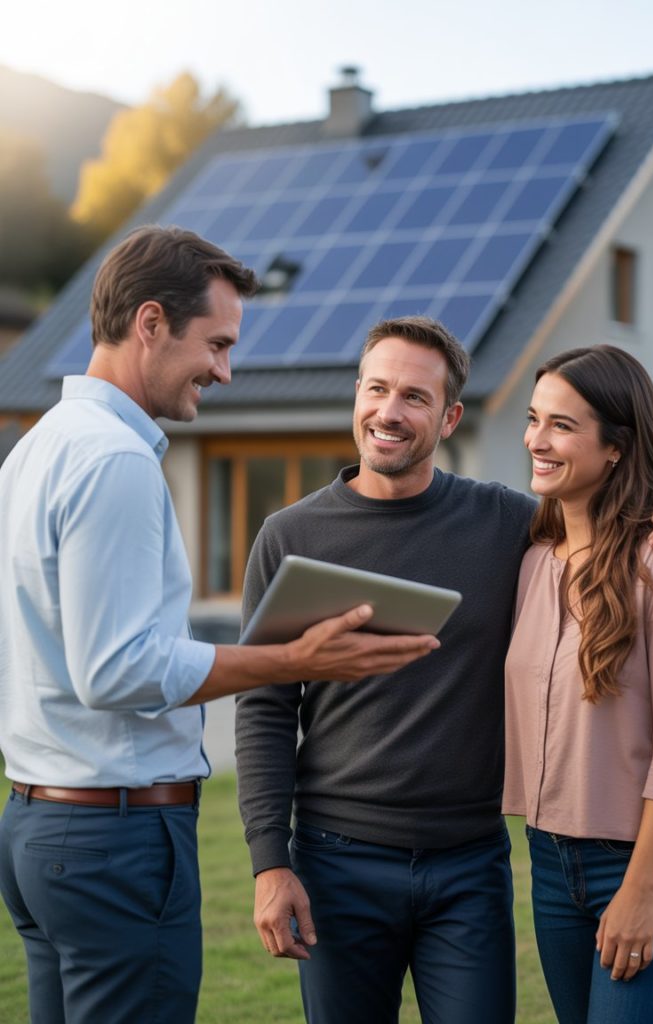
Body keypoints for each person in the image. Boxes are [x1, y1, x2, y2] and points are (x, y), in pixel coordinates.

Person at [0, 227, 439, 1024]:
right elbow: (117, 671)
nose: (225, 371)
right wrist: (292, 659)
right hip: (114, 842)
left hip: (41, 829)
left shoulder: (35, 450)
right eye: (218, 343)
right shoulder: (116, 461)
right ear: (151, 324)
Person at [235, 316, 653, 1024]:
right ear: (355, 395)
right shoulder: (291, 538)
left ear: (450, 415)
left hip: (469, 864)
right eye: (376, 389)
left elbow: (617, 531)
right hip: (336, 860)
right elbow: (265, 709)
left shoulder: (511, 528)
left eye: (414, 396)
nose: (389, 412)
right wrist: (268, 861)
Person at [503, 345, 653, 1024]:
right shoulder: (534, 560)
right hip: (549, 860)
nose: (537, 440)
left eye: (563, 426)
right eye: (535, 418)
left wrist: (640, 889)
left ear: (618, 448)